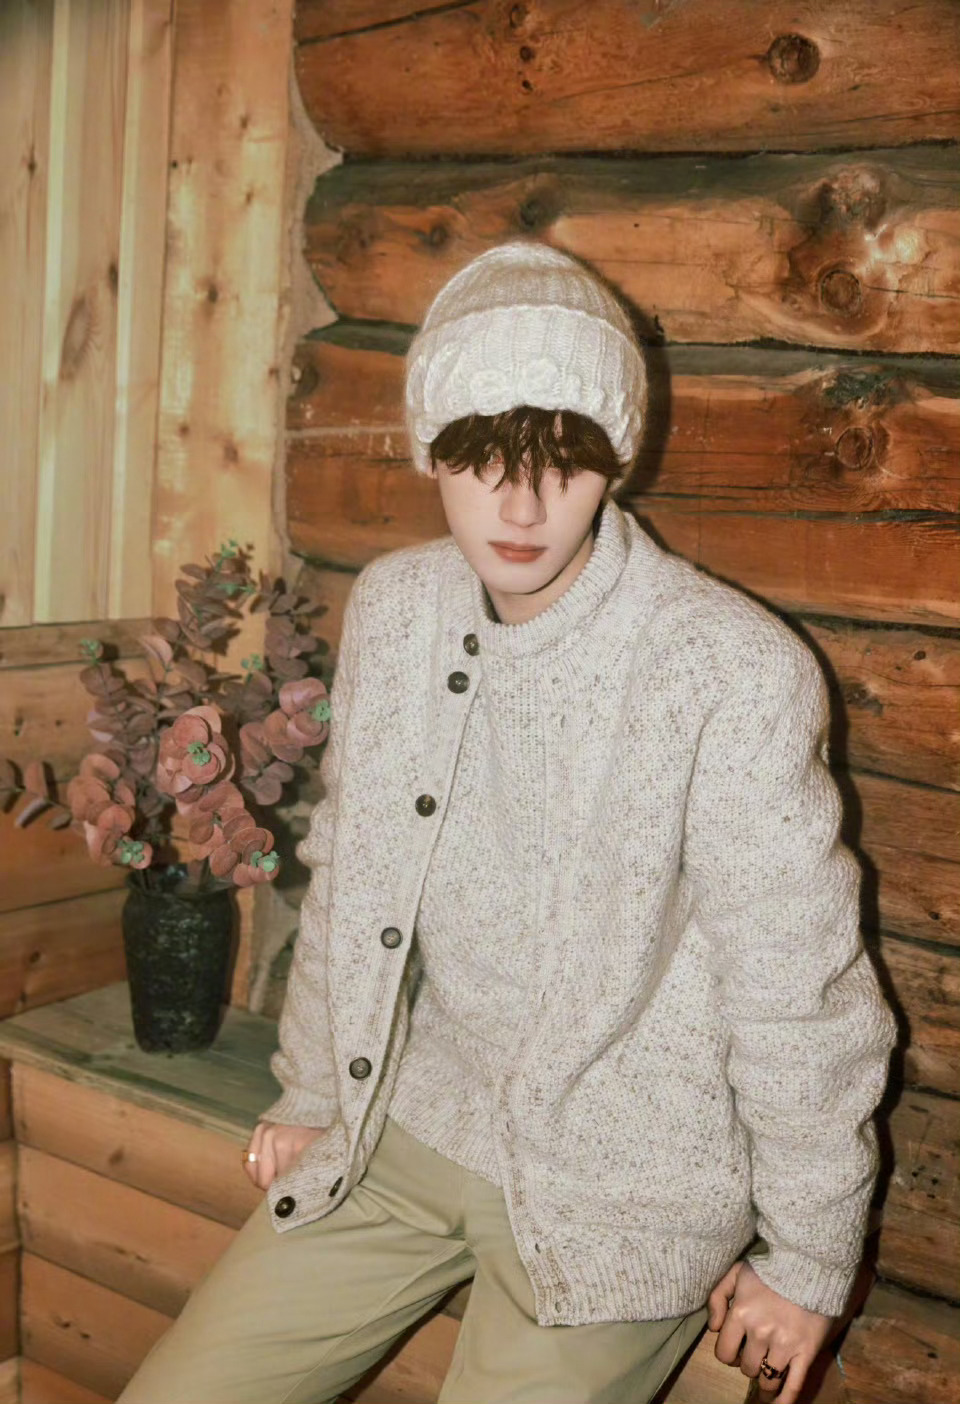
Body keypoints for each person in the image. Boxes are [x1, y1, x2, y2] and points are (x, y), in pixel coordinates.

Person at [116, 241, 898, 1404]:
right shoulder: (399, 609)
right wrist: (316, 1092)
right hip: (408, 1126)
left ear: (616, 459)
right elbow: (354, 873)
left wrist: (810, 1255)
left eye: (565, 466)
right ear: (431, 449)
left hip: (626, 1189)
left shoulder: (731, 669)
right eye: (484, 459)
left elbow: (801, 985)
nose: (522, 508)